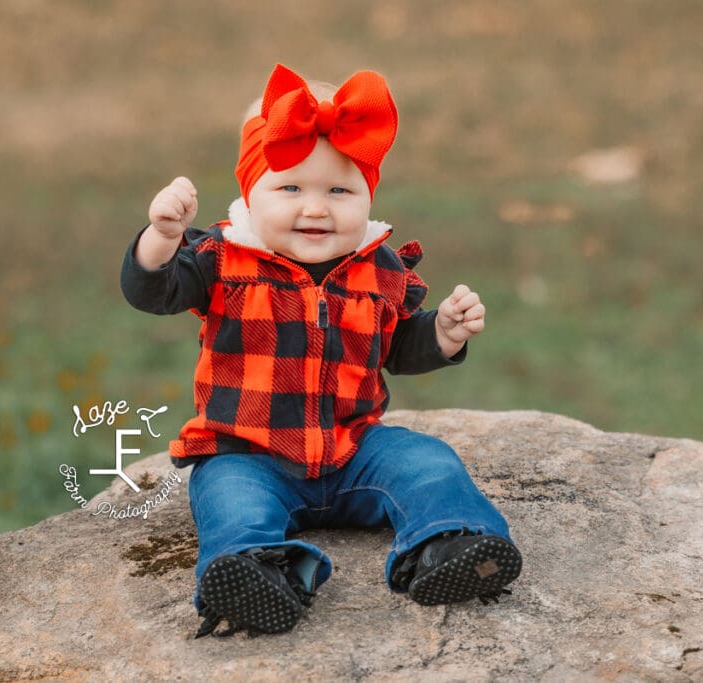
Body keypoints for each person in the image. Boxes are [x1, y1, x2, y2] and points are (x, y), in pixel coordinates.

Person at [120, 63, 521, 639]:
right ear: (249, 194)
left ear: (367, 194)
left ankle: (450, 545)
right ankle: (257, 572)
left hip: (355, 449)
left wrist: (444, 334)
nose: (316, 208)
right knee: (228, 500)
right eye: (290, 189)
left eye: (339, 190)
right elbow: (152, 291)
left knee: (427, 462)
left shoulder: (379, 267)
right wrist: (160, 238)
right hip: (249, 452)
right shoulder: (221, 259)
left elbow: (397, 345)